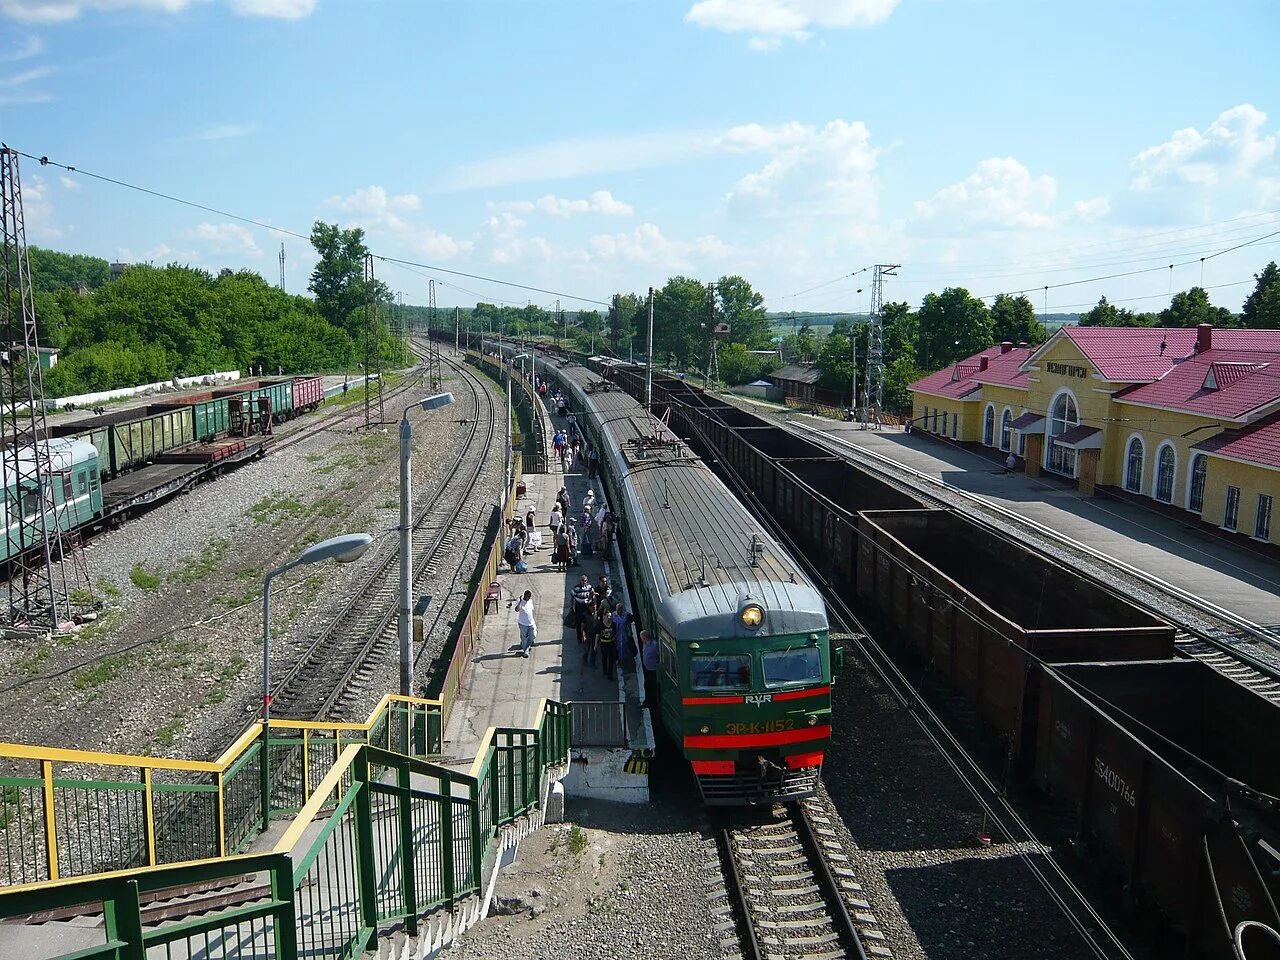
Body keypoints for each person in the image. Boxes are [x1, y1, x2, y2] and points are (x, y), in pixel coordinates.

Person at [640, 630, 660, 709]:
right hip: (647, 669)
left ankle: (651, 704)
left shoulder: (654, 645)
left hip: (653, 671)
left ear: (645, 638)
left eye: (641, 638)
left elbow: (659, 656)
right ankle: (648, 702)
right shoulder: (645, 644)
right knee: (647, 686)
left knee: (650, 687)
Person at [597, 606, 617, 679]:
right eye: (608, 616)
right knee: (604, 658)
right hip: (604, 643)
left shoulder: (613, 624)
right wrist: (596, 645)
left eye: (610, 616)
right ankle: (605, 670)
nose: (609, 618)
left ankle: (610, 674)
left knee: (611, 659)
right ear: (604, 616)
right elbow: (597, 634)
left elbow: (615, 634)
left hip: (611, 643)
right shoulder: (601, 624)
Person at [515, 590, 536, 658]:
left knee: (533, 635)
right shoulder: (520, 601)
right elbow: (517, 609)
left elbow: (531, 610)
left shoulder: (530, 601)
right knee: (525, 638)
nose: (529, 597)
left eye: (530, 596)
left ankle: (525, 643)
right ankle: (525, 651)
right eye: (528, 596)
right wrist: (520, 602)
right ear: (525, 596)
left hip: (531, 622)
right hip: (523, 623)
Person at [580, 600, 600, 666]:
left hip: (595, 635)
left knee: (594, 650)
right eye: (593, 608)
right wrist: (583, 636)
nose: (594, 609)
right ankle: (584, 661)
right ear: (589, 607)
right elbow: (582, 626)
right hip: (588, 635)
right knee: (586, 650)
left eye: (595, 608)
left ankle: (592, 663)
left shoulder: (597, 614)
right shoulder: (584, 615)